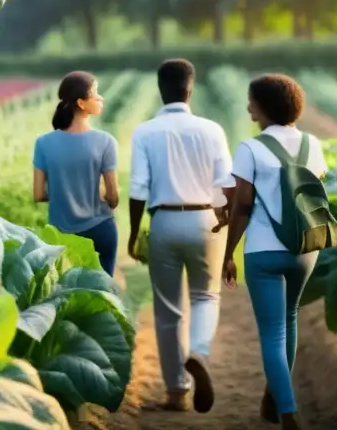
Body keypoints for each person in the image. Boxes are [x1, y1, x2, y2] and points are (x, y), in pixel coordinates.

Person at [220, 74, 329, 430]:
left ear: (262, 107)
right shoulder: (313, 144)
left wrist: (228, 253)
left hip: (264, 252)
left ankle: (288, 411)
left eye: (251, 100)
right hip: (305, 249)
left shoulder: (250, 149)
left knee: (271, 333)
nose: (248, 106)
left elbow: (242, 205)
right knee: (290, 318)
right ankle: (275, 395)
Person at [127, 58, 234, 414]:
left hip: (165, 222)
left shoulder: (145, 132)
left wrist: (133, 232)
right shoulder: (212, 130)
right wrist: (226, 230)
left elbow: (139, 188)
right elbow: (225, 186)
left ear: (161, 90)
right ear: (190, 89)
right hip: (206, 219)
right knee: (206, 296)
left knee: (168, 310)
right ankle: (199, 352)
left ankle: (176, 390)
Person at [33, 71, 120, 277]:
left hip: (61, 234)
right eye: (96, 93)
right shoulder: (106, 141)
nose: (101, 98)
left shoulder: (43, 143)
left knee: (66, 294)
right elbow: (113, 197)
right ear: (81, 103)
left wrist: (64, 192)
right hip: (100, 229)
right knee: (102, 294)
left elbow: (38, 194)